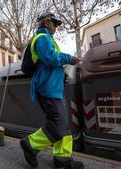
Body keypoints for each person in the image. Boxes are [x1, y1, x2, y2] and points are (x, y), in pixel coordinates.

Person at [20, 12, 84, 169]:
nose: (56, 27)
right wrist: (69, 58)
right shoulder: (42, 38)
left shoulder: (47, 38)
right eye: (55, 23)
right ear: (47, 22)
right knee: (58, 123)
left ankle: (62, 159)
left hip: (54, 88)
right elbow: (51, 58)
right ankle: (30, 144)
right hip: (48, 88)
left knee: (63, 124)